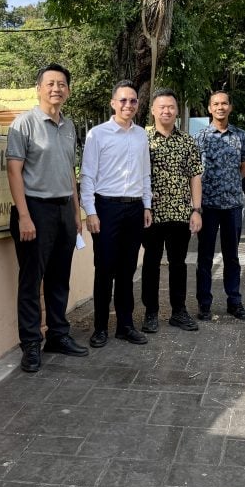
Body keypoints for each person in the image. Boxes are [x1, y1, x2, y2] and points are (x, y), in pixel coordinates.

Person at [7, 63, 87, 374]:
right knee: (31, 281)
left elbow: (70, 171)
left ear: (68, 90)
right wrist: (24, 216)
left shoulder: (68, 127)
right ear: (39, 88)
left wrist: (76, 211)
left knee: (58, 278)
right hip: (34, 209)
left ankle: (58, 335)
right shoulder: (23, 124)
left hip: (64, 209)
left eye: (62, 84)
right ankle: (30, 344)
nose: (57, 88)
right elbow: (14, 170)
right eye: (50, 83)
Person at [81, 81, 153, 347]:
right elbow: (87, 175)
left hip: (134, 208)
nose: (128, 105)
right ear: (113, 103)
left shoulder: (141, 135)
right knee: (105, 269)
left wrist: (146, 205)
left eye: (133, 101)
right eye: (123, 100)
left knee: (127, 269)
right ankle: (100, 327)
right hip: (106, 207)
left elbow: (145, 174)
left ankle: (125, 325)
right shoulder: (97, 134)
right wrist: (91, 211)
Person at [140, 88, 204, 334]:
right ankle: (151, 312)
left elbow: (195, 177)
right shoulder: (141, 138)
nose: (166, 111)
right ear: (153, 110)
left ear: (176, 111)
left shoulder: (187, 141)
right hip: (151, 214)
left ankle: (179, 311)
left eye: (171, 107)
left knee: (178, 264)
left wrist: (196, 210)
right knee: (151, 264)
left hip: (180, 213)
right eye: (162, 107)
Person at [195, 90, 245, 321]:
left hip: (232, 207)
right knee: (205, 258)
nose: (220, 107)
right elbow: (194, 173)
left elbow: (244, 168)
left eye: (224, 103)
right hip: (207, 207)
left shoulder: (240, 136)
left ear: (230, 107)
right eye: (216, 104)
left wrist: (229, 186)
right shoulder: (200, 137)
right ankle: (204, 304)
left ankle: (234, 301)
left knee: (232, 257)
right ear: (209, 108)